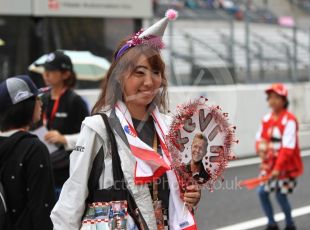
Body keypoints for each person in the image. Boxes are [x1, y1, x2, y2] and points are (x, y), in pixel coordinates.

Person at [51, 9, 200, 230]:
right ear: (120, 77)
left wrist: (191, 196)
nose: (149, 82)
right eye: (139, 73)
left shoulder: (170, 128)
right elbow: (72, 197)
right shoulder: (97, 128)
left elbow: (175, 194)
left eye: (156, 72)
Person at [0, 75, 55, 229]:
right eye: (37, 98)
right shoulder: (34, 148)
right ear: (25, 106)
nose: (41, 103)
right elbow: (43, 208)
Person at [38, 51, 90, 195]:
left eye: (52, 70)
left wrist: (63, 139)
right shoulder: (42, 99)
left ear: (66, 74)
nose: (46, 74)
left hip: (66, 173)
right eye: (45, 69)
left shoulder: (75, 101)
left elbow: (89, 137)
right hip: (44, 167)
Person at [255, 83, 304, 230]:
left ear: (284, 100)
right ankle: (272, 223)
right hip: (270, 166)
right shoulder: (266, 119)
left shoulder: (289, 120)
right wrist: (260, 150)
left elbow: (288, 148)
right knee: (262, 192)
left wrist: (278, 168)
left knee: (280, 195)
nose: (273, 100)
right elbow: (259, 139)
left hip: (285, 166)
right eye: (270, 97)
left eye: (277, 97)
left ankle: (290, 224)